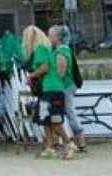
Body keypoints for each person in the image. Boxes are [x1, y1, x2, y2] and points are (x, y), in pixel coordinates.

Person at [23, 25, 75, 160]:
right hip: (50, 89)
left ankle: (69, 143)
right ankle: (50, 148)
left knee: (53, 120)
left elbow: (44, 68)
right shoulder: (47, 49)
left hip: (51, 89)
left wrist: (31, 76)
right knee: (45, 119)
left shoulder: (39, 49)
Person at [50, 25, 86, 154]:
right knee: (65, 112)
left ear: (57, 38)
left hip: (64, 87)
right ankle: (72, 139)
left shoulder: (60, 52)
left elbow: (60, 74)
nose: (49, 38)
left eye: (51, 35)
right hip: (67, 85)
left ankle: (78, 138)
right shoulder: (64, 50)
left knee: (68, 112)